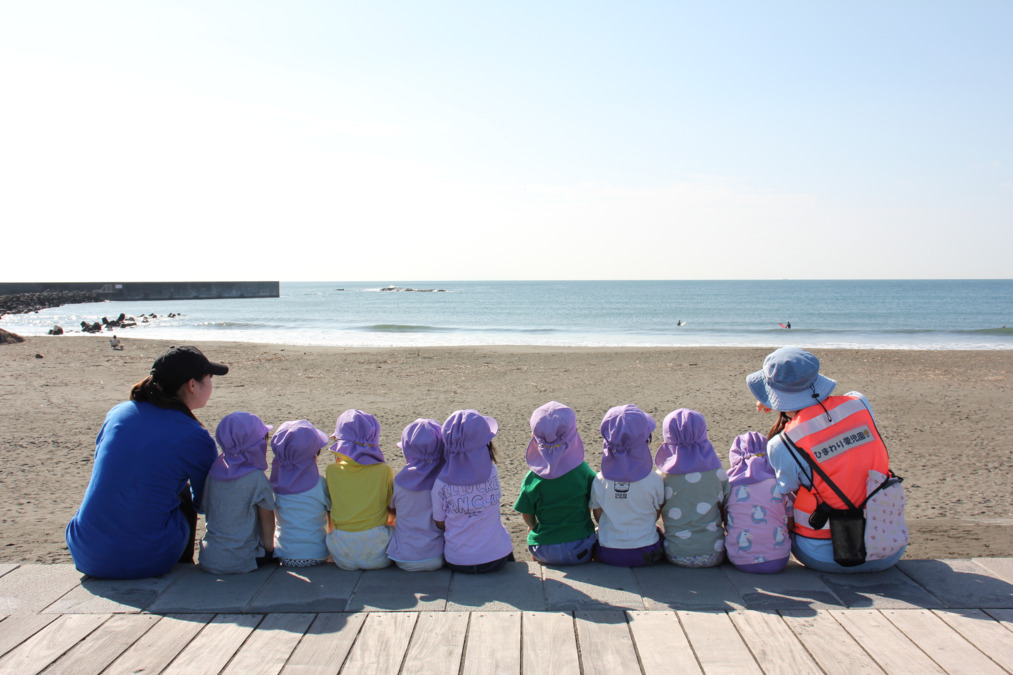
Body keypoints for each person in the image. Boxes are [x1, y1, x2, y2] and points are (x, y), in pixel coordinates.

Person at [66, 345, 227, 579]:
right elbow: (205, 502)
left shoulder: (117, 413)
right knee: (181, 492)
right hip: (146, 559)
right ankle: (183, 564)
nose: (212, 385)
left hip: (85, 551)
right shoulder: (195, 436)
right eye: (209, 378)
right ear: (192, 385)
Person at [748, 346, 908, 573]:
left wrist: (779, 407)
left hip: (823, 555)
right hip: (887, 547)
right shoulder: (860, 403)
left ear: (775, 395)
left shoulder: (782, 443)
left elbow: (789, 488)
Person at [513, 402, 597, 565]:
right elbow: (595, 500)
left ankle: (541, 563)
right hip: (581, 548)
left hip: (544, 549)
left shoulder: (532, 478)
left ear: (534, 438)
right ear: (574, 434)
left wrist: (533, 526)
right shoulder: (583, 471)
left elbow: (526, 513)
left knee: (532, 535)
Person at [432, 410, 514, 573]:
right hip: (497, 558)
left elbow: (440, 523)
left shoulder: (441, 482)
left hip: (458, 561)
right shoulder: (491, 472)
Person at [198, 412, 276, 574]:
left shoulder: (214, 472)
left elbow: (206, 508)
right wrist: (270, 549)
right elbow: (267, 518)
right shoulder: (256, 478)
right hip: (242, 559)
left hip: (209, 557)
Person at [589, 404, 664, 567]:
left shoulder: (600, 480)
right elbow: (656, 513)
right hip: (647, 551)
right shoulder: (654, 479)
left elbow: (598, 516)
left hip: (608, 553)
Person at [654, 409, 729, 567]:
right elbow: (725, 510)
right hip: (715, 553)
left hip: (675, 553)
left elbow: (656, 512)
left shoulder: (663, 475)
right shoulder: (717, 473)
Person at [325, 409, 394, 570]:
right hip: (378, 551)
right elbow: (391, 510)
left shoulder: (332, 471)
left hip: (341, 552)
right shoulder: (384, 470)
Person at [724, 431, 790, 573]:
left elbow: (724, 516)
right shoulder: (780, 483)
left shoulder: (730, 484)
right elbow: (791, 518)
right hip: (780, 559)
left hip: (740, 560)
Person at [270, 419, 332, 568]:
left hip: (284, 554)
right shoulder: (319, 484)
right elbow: (331, 519)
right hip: (318, 553)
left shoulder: (275, 484)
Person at [387, 419, 446, 571]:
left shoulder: (399, 481)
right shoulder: (444, 480)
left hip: (403, 557)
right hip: (438, 555)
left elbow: (393, 513)